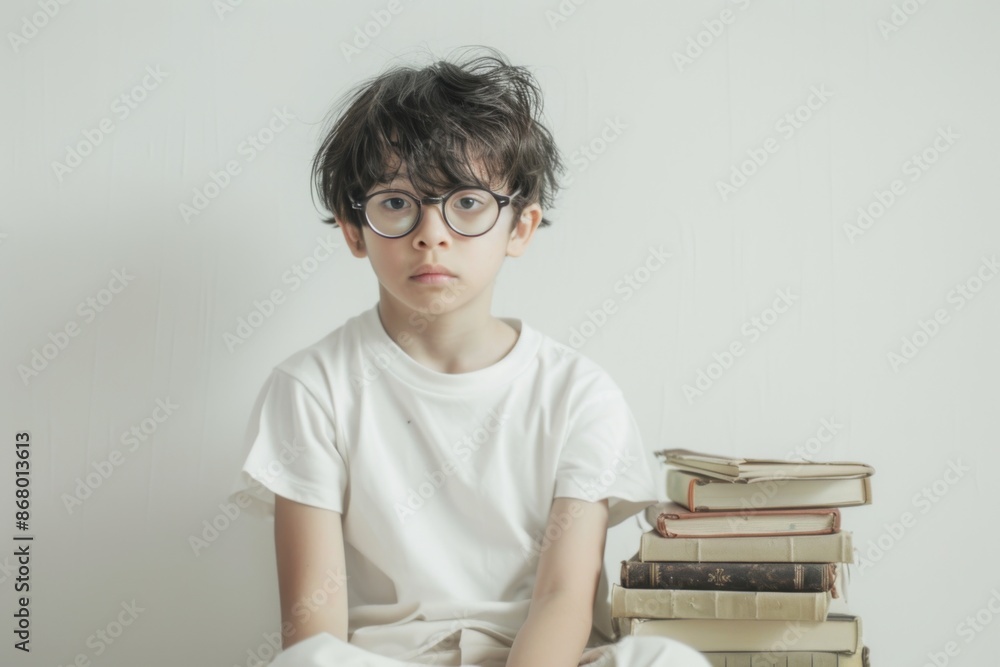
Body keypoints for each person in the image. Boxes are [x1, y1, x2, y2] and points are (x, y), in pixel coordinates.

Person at [227, 46, 709, 667]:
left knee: (668, 661)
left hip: (542, 658)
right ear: (354, 230)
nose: (433, 233)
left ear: (521, 228)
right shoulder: (312, 386)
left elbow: (564, 594)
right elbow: (312, 623)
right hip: (389, 659)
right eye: (396, 203)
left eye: (468, 202)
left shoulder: (578, 393)